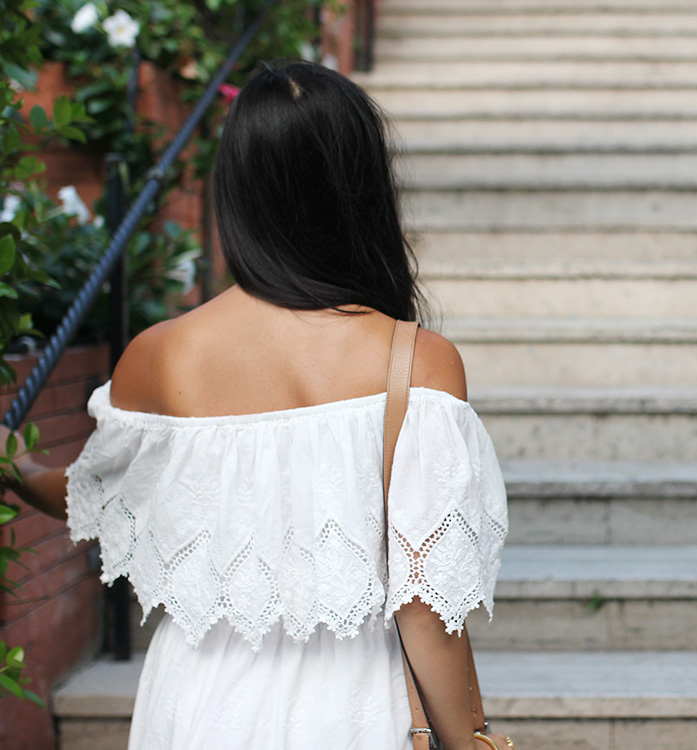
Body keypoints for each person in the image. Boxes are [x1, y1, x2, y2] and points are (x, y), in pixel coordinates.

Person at [4, 60, 512, 750]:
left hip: (195, 703)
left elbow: (99, 499)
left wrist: (18, 466)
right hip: (352, 710)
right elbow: (426, 608)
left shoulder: (160, 356)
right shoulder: (417, 362)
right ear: (363, 186)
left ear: (235, 188)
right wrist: (471, 739)